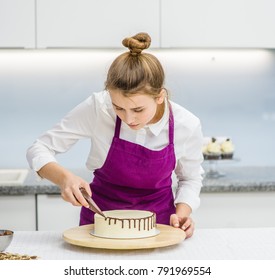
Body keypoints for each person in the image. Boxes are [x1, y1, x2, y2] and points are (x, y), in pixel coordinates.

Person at [26, 32, 204, 238]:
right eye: (118, 107)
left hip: (159, 228)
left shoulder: (186, 124)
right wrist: (64, 178)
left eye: (138, 110)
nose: (129, 119)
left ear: (160, 97)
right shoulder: (98, 107)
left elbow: (190, 178)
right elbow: (39, 148)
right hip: (99, 226)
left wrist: (182, 215)